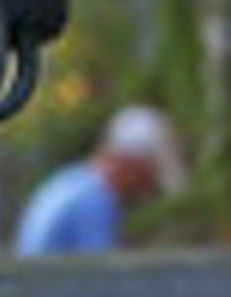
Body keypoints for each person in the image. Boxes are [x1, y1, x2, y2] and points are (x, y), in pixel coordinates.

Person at [14, 104, 185, 254]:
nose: (145, 193)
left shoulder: (75, 181)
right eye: (147, 178)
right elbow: (103, 279)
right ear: (130, 165)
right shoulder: (93, 202)